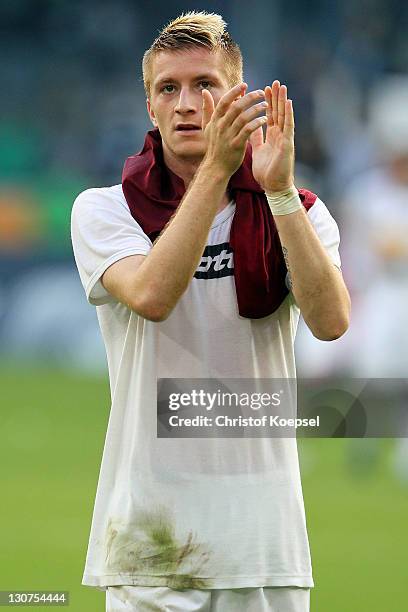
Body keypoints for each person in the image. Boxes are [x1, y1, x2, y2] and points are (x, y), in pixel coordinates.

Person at [71, 11, 350, 612]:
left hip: (264, 540)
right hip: (152, 538)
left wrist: (276, 193)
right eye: (167, 88)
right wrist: (220, 169)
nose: (186, 103)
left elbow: (331, 323)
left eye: (206, 85)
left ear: (238, 98)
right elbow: (151, 295)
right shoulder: (104, 210)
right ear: (149, 108)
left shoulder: (296, 208)